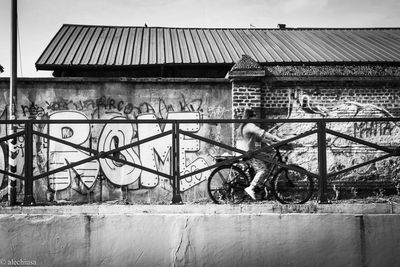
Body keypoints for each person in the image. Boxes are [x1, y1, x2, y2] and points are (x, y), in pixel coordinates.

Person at [237, 108, 283, 200]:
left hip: (247, 152)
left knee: (268, 157)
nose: (256, 119)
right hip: (249, 153)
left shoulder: (243, 126)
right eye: (255, 117)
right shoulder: (249, 125)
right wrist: (276, 139)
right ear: (251, 117)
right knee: (263, 170)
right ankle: (252, 187)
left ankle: (263, 183)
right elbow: (262, 133)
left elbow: (257, 138)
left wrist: (269, 142)